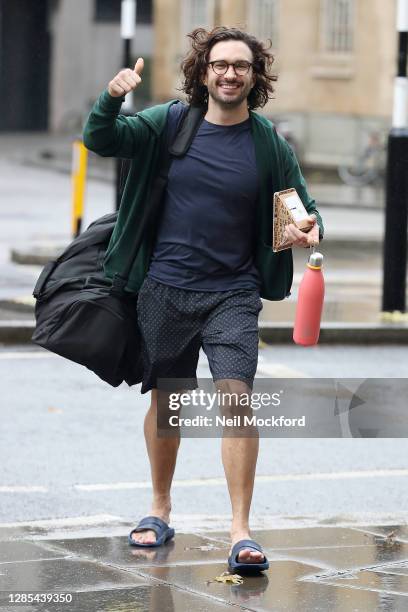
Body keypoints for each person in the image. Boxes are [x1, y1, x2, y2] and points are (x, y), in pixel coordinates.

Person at [83, 26, 324, 574]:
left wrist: (309, 227)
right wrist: (112, 96)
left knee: (236, 397)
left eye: (241, 65)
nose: (230, 73)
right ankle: (159, 508)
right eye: (220, 64)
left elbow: (302, 206)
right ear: (203, 71)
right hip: (165, 288)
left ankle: (240, 530)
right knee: (168, 402)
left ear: (254, 76)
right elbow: (101, 139)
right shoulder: (168, 123)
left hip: (233, 293)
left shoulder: (268, 143)